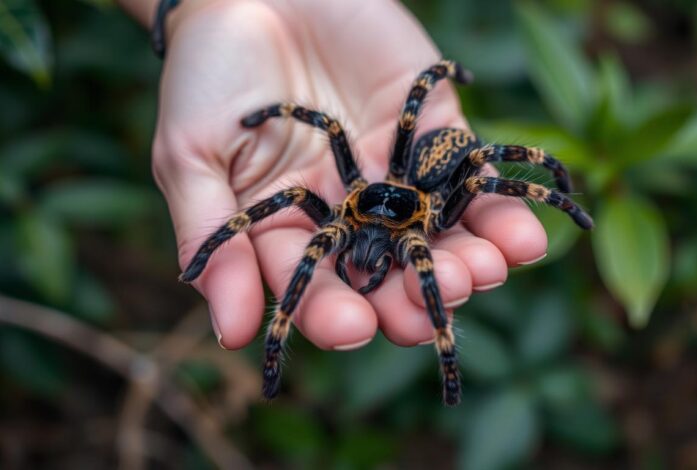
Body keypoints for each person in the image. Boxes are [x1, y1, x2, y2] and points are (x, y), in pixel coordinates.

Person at [117, 0, 548, 351]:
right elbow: (325, 126)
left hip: (428, 179)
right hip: (404, 180)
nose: (367, 245)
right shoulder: (343, 214)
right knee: (331, 134)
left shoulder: (424, 220)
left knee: (475, 173)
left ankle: (445, 351)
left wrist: (442, 73)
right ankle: (280, 333)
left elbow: (422, 93)